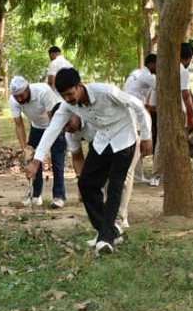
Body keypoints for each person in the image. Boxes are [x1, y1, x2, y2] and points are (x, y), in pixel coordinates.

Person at [28, 67, 151, 256]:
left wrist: (146, 136)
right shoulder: (68, 105)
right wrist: (37, 160)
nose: (68, 99)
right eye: (64, 95)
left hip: (124, 138)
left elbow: (137, 105)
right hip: (102, 141)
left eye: (70, 93)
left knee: (114, 188)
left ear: (79, 86)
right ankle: (108, 230)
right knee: (86, 184)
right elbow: (52, 129)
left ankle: (105, 239)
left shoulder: (106, 92)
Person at [64, 109, 136, 233]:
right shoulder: (69, 133)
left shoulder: (93, 118)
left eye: (68, 123)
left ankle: (120, 217)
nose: (66, 128)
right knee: (90, 184)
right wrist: (82, 180)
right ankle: (106, 225)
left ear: (74, 114)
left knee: (120, 179)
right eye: (62, 126)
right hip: (100, 146)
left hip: (126, 138)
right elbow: (77, 157)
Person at [9, 75, 66, 208]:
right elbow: (18, 124)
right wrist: (25, 149)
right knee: (31, 160)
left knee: (57, 161)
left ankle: (59, 196)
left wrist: (47, 146)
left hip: (55, 126)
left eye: (21, 95)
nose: (19, 99)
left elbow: (54, 120)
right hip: (37, 127)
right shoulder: (14, 100)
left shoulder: (43, 92)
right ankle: (35, 195)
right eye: (16, 96)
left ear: (28, 89)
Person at [124, 54, 157, 184]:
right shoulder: (147, 76)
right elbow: (162, 88)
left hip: (129, 109)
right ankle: (136, 176)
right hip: (135, 111)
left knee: (136, 141)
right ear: (152, 64)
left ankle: (137, 175)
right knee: (138, 142)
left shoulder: (136, 72)